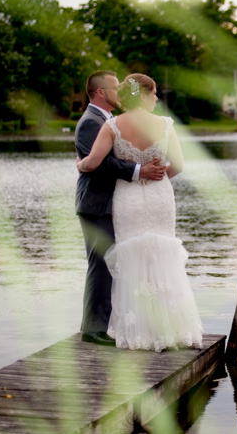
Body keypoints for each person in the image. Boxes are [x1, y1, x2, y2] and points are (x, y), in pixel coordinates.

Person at [77, 73, 203, 351]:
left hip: (128, 197)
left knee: (133, 259)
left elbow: (94, 162)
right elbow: (179, 165)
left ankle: (137, 331)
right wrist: (158, 181)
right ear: (144, 94)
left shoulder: (112, 126)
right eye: (154, 92)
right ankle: (171, 328)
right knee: (162, 257)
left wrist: (80, 164)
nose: (157, 98)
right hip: (160, 196)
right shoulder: (165, 125)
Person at [75, 70, 166, 346]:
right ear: (101, 92)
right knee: (100, 264)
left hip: (111, 202)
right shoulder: (91, 122)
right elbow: (101, 164)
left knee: (111, 263)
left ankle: (109, 323)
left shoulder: (109, 121)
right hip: (96, 203)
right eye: (116, 88)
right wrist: (140, 171)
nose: (121, 93)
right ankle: (92, 329)